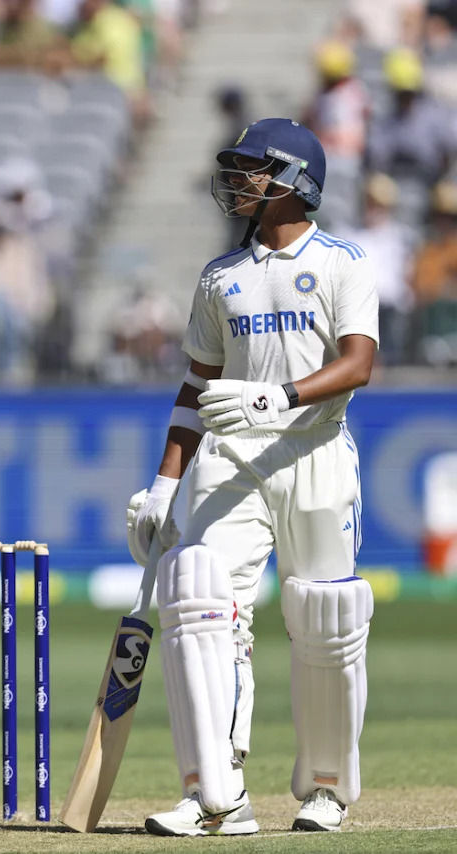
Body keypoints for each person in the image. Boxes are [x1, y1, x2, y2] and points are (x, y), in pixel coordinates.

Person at [127, 119, 378, 836]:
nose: (239, 181)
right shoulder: (220, 276)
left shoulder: (343, 262)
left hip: (313, 452)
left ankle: (327, 789)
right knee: (197, 594)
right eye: (236, 169)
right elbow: (193, 390)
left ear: (297, 180)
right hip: (228, 461)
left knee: (325, 620)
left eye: (254, 169)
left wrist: (280, 396)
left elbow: (359, 363)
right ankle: (214, 795)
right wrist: (165, 486)